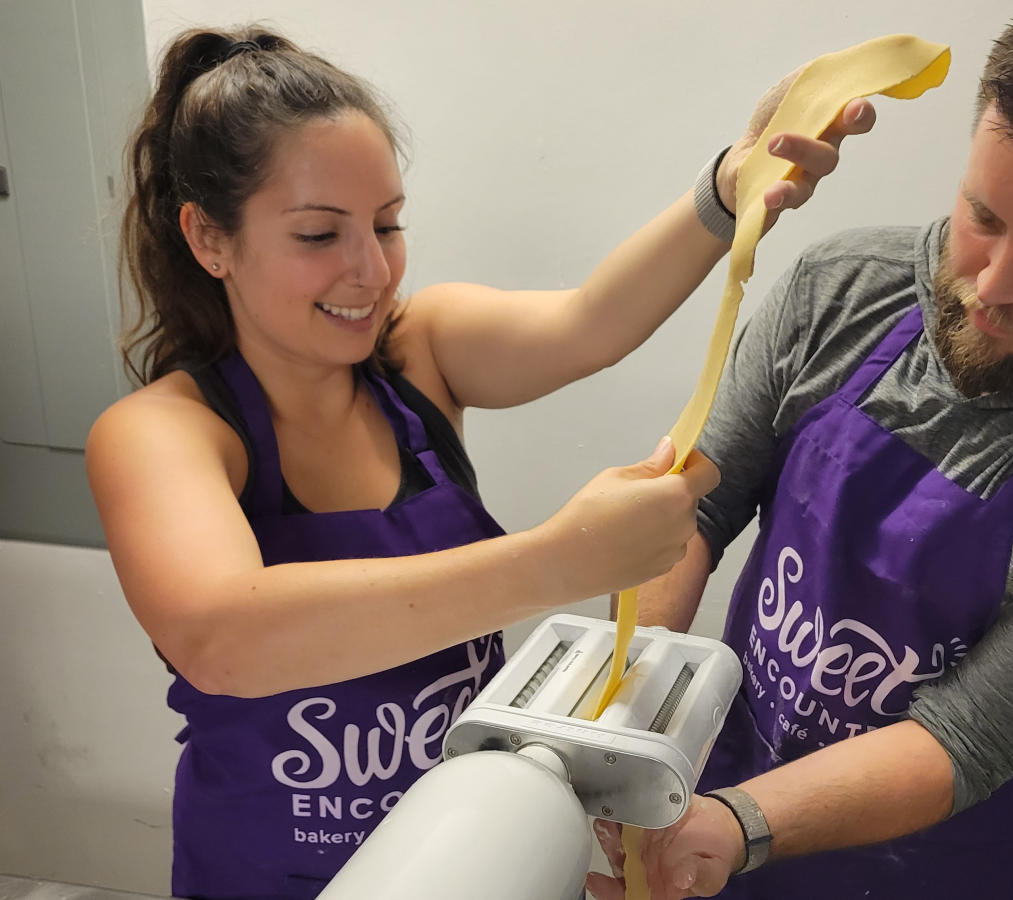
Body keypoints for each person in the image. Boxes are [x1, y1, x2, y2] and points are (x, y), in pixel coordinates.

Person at [84, 25, 873, 900]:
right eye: (318, 234)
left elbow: (588, 326)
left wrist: (731, 188)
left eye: (387, 224)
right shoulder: (161, 433)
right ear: (210, 238)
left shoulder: (421, 352)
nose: (369, 269)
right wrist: (561, 559)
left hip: (474, 861)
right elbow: (225, 639)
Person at [586, 1, 1013, 898]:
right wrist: (628, 732)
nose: (992, 284)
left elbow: (967, 737)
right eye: (983, 215)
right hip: (709, 781)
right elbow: (691, 510)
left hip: (924, 864)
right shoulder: (840, 291)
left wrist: (733, 827)